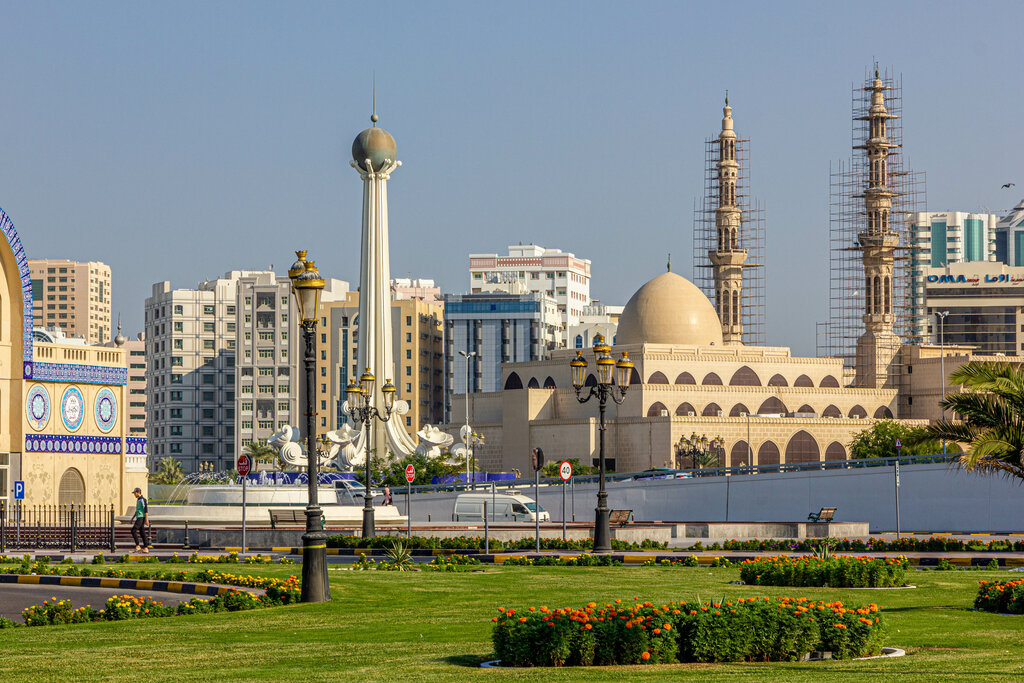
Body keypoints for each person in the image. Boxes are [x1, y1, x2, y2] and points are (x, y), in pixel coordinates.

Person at [131, 487, 149, 553]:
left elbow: (146, 510)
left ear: (138, 492)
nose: (134, 495)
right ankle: (146, 548)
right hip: (139, 517)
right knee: (142, 532)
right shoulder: (138, 500)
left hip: (141, 517)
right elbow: (137, 510)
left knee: (133, 530)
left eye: (135, 493)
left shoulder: (143, 500)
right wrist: (132, 518)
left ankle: (138, 546)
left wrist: (146, 520)